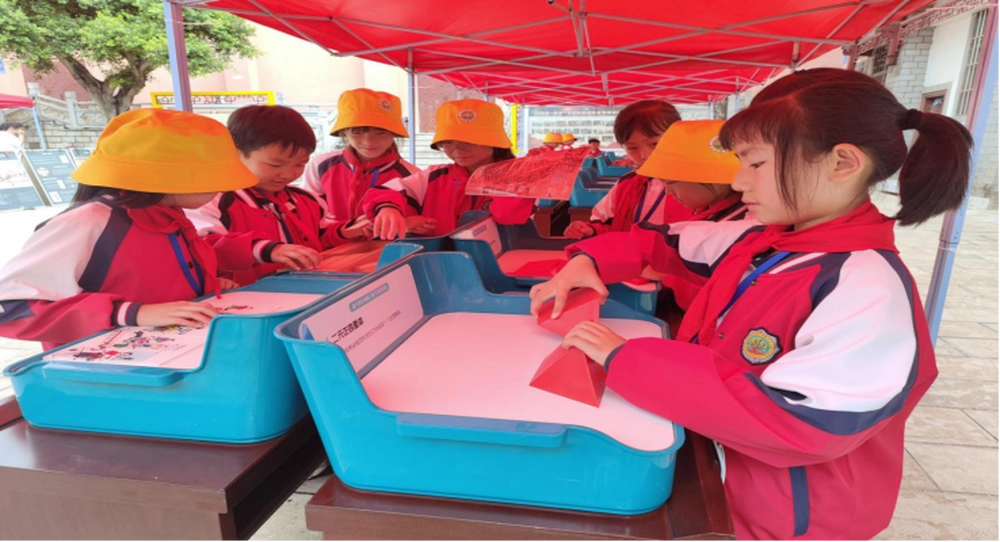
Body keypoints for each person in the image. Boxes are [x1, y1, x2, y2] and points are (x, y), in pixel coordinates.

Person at [529, 71, 973, 541]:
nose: (738, 182)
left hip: (788, 522)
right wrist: (589, 259)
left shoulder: (866, 286)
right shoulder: (765, 240)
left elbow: (802, 422)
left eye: (756, 163)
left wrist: (628, 359)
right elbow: (663, 241)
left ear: (842, 163)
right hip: (725, 479)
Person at [0, 109, 264, 349]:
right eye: (215, 176)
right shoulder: (89, 222)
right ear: (168, 177)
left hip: (172, 355)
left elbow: (156, 272)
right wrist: (130, 312)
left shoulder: (169, 213)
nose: (223, 186)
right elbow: (11, 308)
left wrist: (207, 285)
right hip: (106, 374)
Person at [187, 105, 328, 285]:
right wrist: (263, 249)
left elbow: (323, 234)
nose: (288, 174)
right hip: (243, 296)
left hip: (305, 290)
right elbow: (204, 247)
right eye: (275, 165)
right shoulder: (211, 201)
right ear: (235, 152)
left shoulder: (306, 200)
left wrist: (348, 230)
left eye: (300, 164)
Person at [362, 99, 533, 239]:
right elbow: (386, 192)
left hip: (501, 263)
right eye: (448, 142)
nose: (457, 149)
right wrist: (389, 209)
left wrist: (511, 178)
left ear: (495, 143)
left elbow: (510, 216)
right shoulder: (434, 176)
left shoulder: (521, 179)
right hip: (438, 262)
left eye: (469, 141)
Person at [563, 100, 694, 239]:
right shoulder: (626, 185)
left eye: (655, 143)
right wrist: (589, 230)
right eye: (632, 148)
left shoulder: (700, 184)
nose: (645, 155)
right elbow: (609, 226)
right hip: (633, 252)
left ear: (679, 136)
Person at [302, 89, 419, 244]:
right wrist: (347, 229)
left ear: (394, 133)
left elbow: (417, 223)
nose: (368, 142)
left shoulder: (412, 175)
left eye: (381, 132)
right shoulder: (320, 165)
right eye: (357, 132)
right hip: (329, 249)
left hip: (384, 252)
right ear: (344, 132)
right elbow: (308, 215)